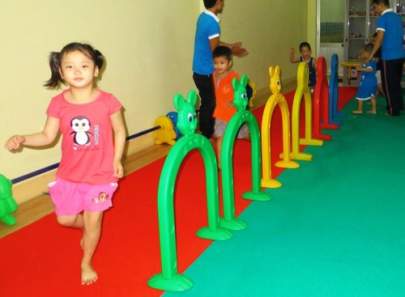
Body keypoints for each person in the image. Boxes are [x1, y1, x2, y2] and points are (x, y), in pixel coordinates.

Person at [4, 42, 126, 285]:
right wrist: (23, 139)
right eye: (70, 66)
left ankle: (86, 261)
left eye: (84, 66)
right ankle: (88, 230)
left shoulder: (108, 101)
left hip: (101, 175)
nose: (77, 71)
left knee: (94, 220)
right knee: (65, 219)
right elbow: (47, 136)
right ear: (61, 72)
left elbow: (120, 131)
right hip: (69, 175)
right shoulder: (58, 103)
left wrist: (117, 159)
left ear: (96, 70)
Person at [192, 0, 248, 138]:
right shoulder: (212, 24)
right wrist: (233, 51)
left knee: (208, 101)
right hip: (206, 72)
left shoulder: (203, 17)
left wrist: (230, 46)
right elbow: (216, 49)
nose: (223, 3)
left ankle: (208, 133)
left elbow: (214, 43)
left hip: (199, 69)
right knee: (210, 103)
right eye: (222, 1)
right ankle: (208, 135)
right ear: (217, 2)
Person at [212, 46, 249, 166]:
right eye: (216, 63)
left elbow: (240, 92)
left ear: (229, 63)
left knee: (245, 134)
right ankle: (220, 164)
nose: (218, 66)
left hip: (233, 113)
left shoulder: (233, 76)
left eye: (222, 63)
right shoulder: (214, 76)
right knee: (220, 137)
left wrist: (234, 102)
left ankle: (258, 142)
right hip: (220, 114)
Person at [370, 0, 405, 116]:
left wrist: (372, 54)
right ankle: (399, 106)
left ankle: (392, 110)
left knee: (388, 84)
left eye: (375, 8)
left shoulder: (383, 18)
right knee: (396, 82)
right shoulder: (397, 17)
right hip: (400, 55)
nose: (374, 11)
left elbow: (379, 39)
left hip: (388, 56)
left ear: (381, 4)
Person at [352, 43, 378, 115]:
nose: (363, 54)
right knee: (372, 96)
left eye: (364, 52)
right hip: (373, 81)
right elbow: (361, 60)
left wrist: (361, 68)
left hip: (367, 82)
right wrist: (361, 60)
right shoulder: (371, 60)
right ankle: (373, 110)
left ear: (368, 53)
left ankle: (359, 110)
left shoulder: (370, 61)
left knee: (360, 94)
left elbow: (369, 69)